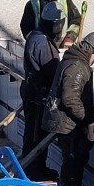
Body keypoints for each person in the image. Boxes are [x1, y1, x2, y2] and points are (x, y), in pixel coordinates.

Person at [44, 30, 94, 186]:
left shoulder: (73, 60)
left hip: (66, 122)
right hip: (68, 125)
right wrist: (88, 119)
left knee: (72, 164)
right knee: (72, 166)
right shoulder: (78, 66)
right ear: (91, 50)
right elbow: (70, 99)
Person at [20, 23, 60, 161]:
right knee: (37, 134)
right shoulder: (43, 43)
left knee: (31, 132)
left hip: (30, 90)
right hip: (38, 95)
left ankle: (32, 165)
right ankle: (34, 169)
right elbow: (53, 72)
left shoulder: (34, 36)